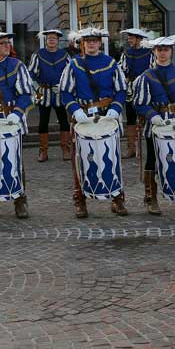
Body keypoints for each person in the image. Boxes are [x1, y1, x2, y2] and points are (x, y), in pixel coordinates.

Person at [60, 27, 129, 218]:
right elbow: (65, 92)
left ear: (100, 43)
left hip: (107, 117)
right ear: (82, 44)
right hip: (83, 118)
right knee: (80, 160)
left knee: (112, 158)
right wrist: (75, 110)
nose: (91, 44)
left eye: (95, 40)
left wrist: (116, 108)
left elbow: (121, 90)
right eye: (87, 41)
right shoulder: (74, 65)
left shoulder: (111, 63)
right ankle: (80, 200)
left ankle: (117, 198)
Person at [131, 35, 175, 214]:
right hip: (156, 125)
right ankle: (150, 197)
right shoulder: (146, 76)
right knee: (152, 160)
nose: (163, 53)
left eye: (166, 49)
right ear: (154, 52)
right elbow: (139, 103)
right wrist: (152, 116)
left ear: (171, 51)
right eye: (159, 50)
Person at [0, 31, 33, 219]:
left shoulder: (17, 66)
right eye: (3, 44)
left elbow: (26, 94)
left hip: (12, 119)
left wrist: (18, 114)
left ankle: (20, 200)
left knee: (15, 162)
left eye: (8, 43)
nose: (7, 47)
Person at [27, 28, 71, 162]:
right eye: (49, 38)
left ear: (58, 41)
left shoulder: (65, 55)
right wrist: (36, 88)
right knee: (43, 122)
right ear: (46, 40)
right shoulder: (38, 55)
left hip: (60, 92)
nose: (51, 40)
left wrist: (64, 87)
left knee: (64, 121)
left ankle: (66, 148)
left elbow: (71, 73)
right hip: (43, 92)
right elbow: (31, 74)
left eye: (54, 38)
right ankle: (43, 150)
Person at [120, 28, 153, 159]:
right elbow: (121, 69)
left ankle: (148, 147)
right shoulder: (126, 53)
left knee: (146, 117)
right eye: (129, 38)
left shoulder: (149, 53)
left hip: (146, 89)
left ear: (139, 39)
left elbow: (153, 70)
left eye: (131, 38)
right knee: (130, 117)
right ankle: (131, 148)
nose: (129, 40)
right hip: (130, 89)